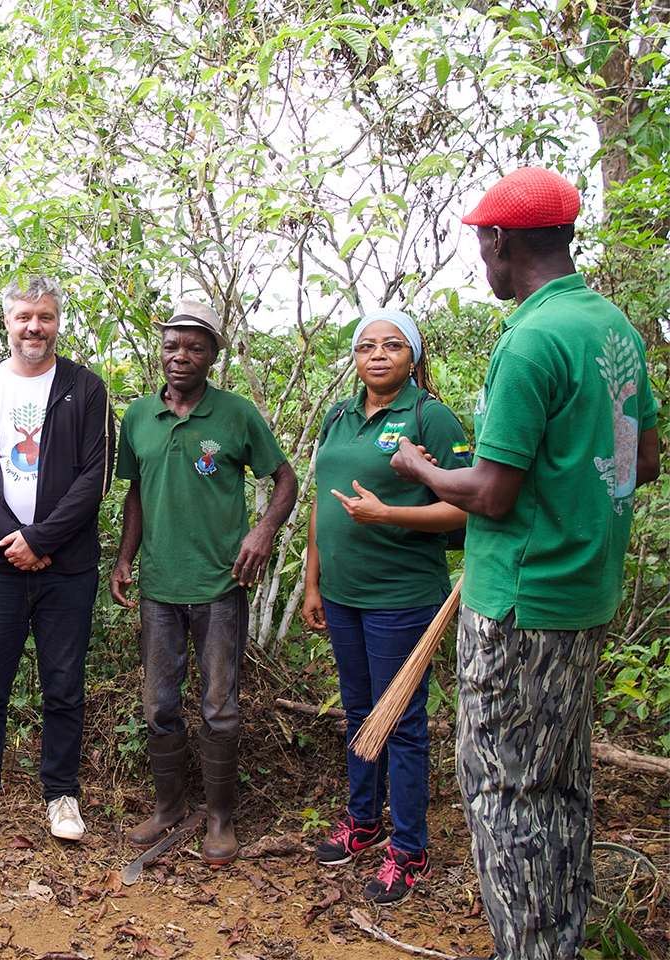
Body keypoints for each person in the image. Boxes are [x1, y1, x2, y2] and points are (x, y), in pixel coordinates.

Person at [390, 168, 660, 960]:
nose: (483, 260)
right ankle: (559, 943)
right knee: (560, 788)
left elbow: (491, 493)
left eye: (481, 244)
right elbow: (641, 462)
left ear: (500, 241)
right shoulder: (615, 329)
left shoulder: (531, 338)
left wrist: (419, 468)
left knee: (505, 794)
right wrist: (572, 484)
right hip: (585, 593)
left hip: (519, 607)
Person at [110, 299, 297, 864]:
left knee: (219, 707)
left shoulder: (236, 415)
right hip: (160, 587)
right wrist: (125, 558)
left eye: (195, 346)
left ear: (214, 354)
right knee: (158, 704)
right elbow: (137, 493)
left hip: (219, 584)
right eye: (172, 345)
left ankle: (219, 817)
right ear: (159, 350)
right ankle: (169, 808)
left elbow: (284, 479)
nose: (181, 356)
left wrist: (263, 531)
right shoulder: (139, 417)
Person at [0, 278, 114, 848]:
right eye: (24, 317)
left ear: (58, 322)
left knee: (63, 683)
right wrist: (12, 540)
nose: (34, 327)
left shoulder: (85, 389)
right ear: (7, 321)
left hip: (67, 566)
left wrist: (41, 540)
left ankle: (61, 793)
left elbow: (95, 477)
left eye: (45, 316)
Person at [301, 308, 469, 905]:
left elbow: (467, 506)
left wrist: (388, 513)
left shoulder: (431, 416)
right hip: (344, 594)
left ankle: (409, 848)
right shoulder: (339, 416)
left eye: (392, 345)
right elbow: (325, 503)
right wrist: (313, 582)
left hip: (402, 597)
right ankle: (363, 822)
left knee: (400, 721)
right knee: (358, 711)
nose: (378, 354)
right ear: (354, 355)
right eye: (367, 345)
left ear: (413, 356)